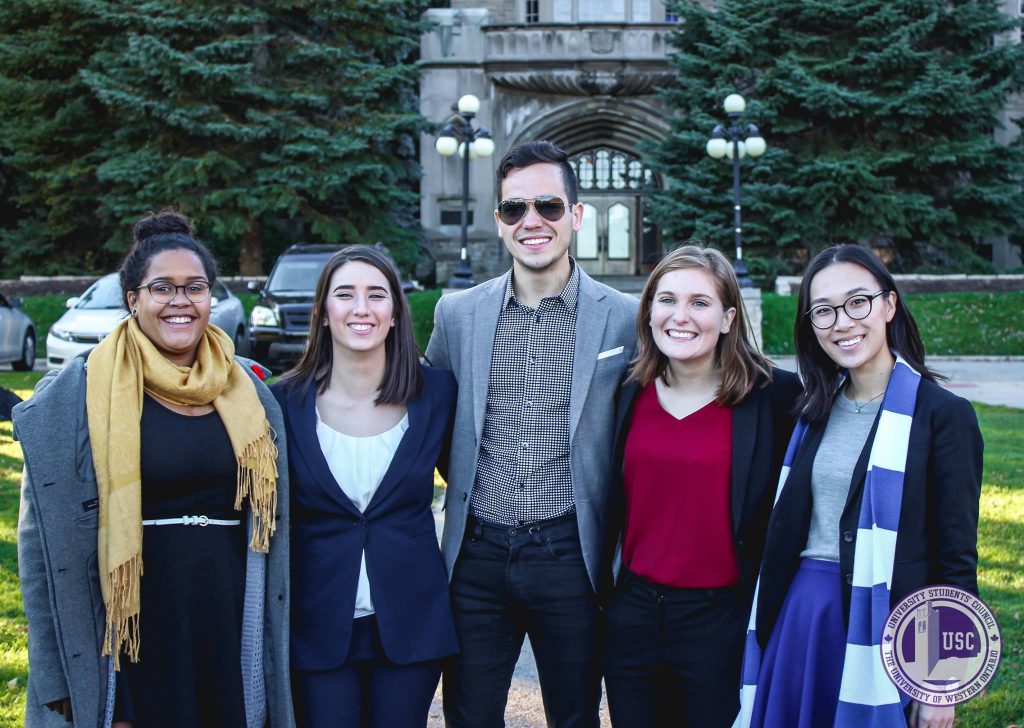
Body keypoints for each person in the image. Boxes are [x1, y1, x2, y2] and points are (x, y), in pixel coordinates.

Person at [15, 210, 293, 728]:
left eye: (195, 288)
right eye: (162, 288)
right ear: (133, 299)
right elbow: (39, 553)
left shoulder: (251, 394)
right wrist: (56, 674)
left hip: (227, 613)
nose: (180, 302)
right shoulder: (76, 396)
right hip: (128, 626)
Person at [426, 140, 639, 727]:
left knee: (574, 716)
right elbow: (429, 418)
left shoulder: (625, 316)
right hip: (476, 554)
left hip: (572, 551)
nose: (532, 222)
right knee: (469, 716)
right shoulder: (456, 314)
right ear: (498, 222)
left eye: (548, 205)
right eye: (515, 209)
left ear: (576, 214)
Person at [737, 245, 984, 728]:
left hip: (885, 622)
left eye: (857, 302)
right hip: (801, 616)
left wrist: (942, 681)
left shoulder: (943, 417)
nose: (842, 322)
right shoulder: (809, 411)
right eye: (823, 311)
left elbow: (955, 559)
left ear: (889, 305)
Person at [602, 244, 800, 728]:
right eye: (666, 300)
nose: (680, 316)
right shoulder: (627, 391)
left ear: (729, 318)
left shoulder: (775, 397)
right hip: (633, 614)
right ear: (648, 312)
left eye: (700, 302)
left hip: (721, 619)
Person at [272, 245, 458, 727]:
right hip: (316, 625)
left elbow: (470, 480)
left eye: (376, 295)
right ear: (323, 310)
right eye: (345, 294)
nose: (361, 308)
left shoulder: (437, 394)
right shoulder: (280, 403)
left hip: (411, 623)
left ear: (395, 312)